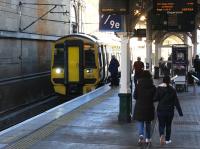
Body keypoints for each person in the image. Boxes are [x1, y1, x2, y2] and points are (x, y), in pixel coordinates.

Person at [154, 75, 183, 145]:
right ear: (169, 81)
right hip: (170, 110)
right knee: (168, 125)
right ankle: (167, 140)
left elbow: (155, 98)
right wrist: (180, 112)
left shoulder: (159, 88)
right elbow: (176, 101)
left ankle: (161, 135)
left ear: (163, 80)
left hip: (161, 110)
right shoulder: (172, 89)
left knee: (161, 124)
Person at [133, 70, 156, 145]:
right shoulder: (152, 86)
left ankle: (141, 136)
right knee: (148, 123)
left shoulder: (138, 85)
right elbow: (155, 98)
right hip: (149, 107)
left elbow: (135, 96)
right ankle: (148, 139)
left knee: (140, 122)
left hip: (139, 107)